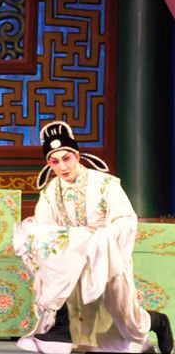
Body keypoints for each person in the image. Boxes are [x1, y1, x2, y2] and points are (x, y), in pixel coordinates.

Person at [13, 120, 173, 354]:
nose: (62, 167)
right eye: (55, 162)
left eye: (66, 158)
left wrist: (99, 238)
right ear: (49, 164)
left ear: (77, 156)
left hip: (105, 252)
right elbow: (44, 226)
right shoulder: (50, 192)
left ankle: (159, 322)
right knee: (32, 233)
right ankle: (61, 327)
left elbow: (125, 220)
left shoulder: (104, 183)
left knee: (127, 317)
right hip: (72, 259)